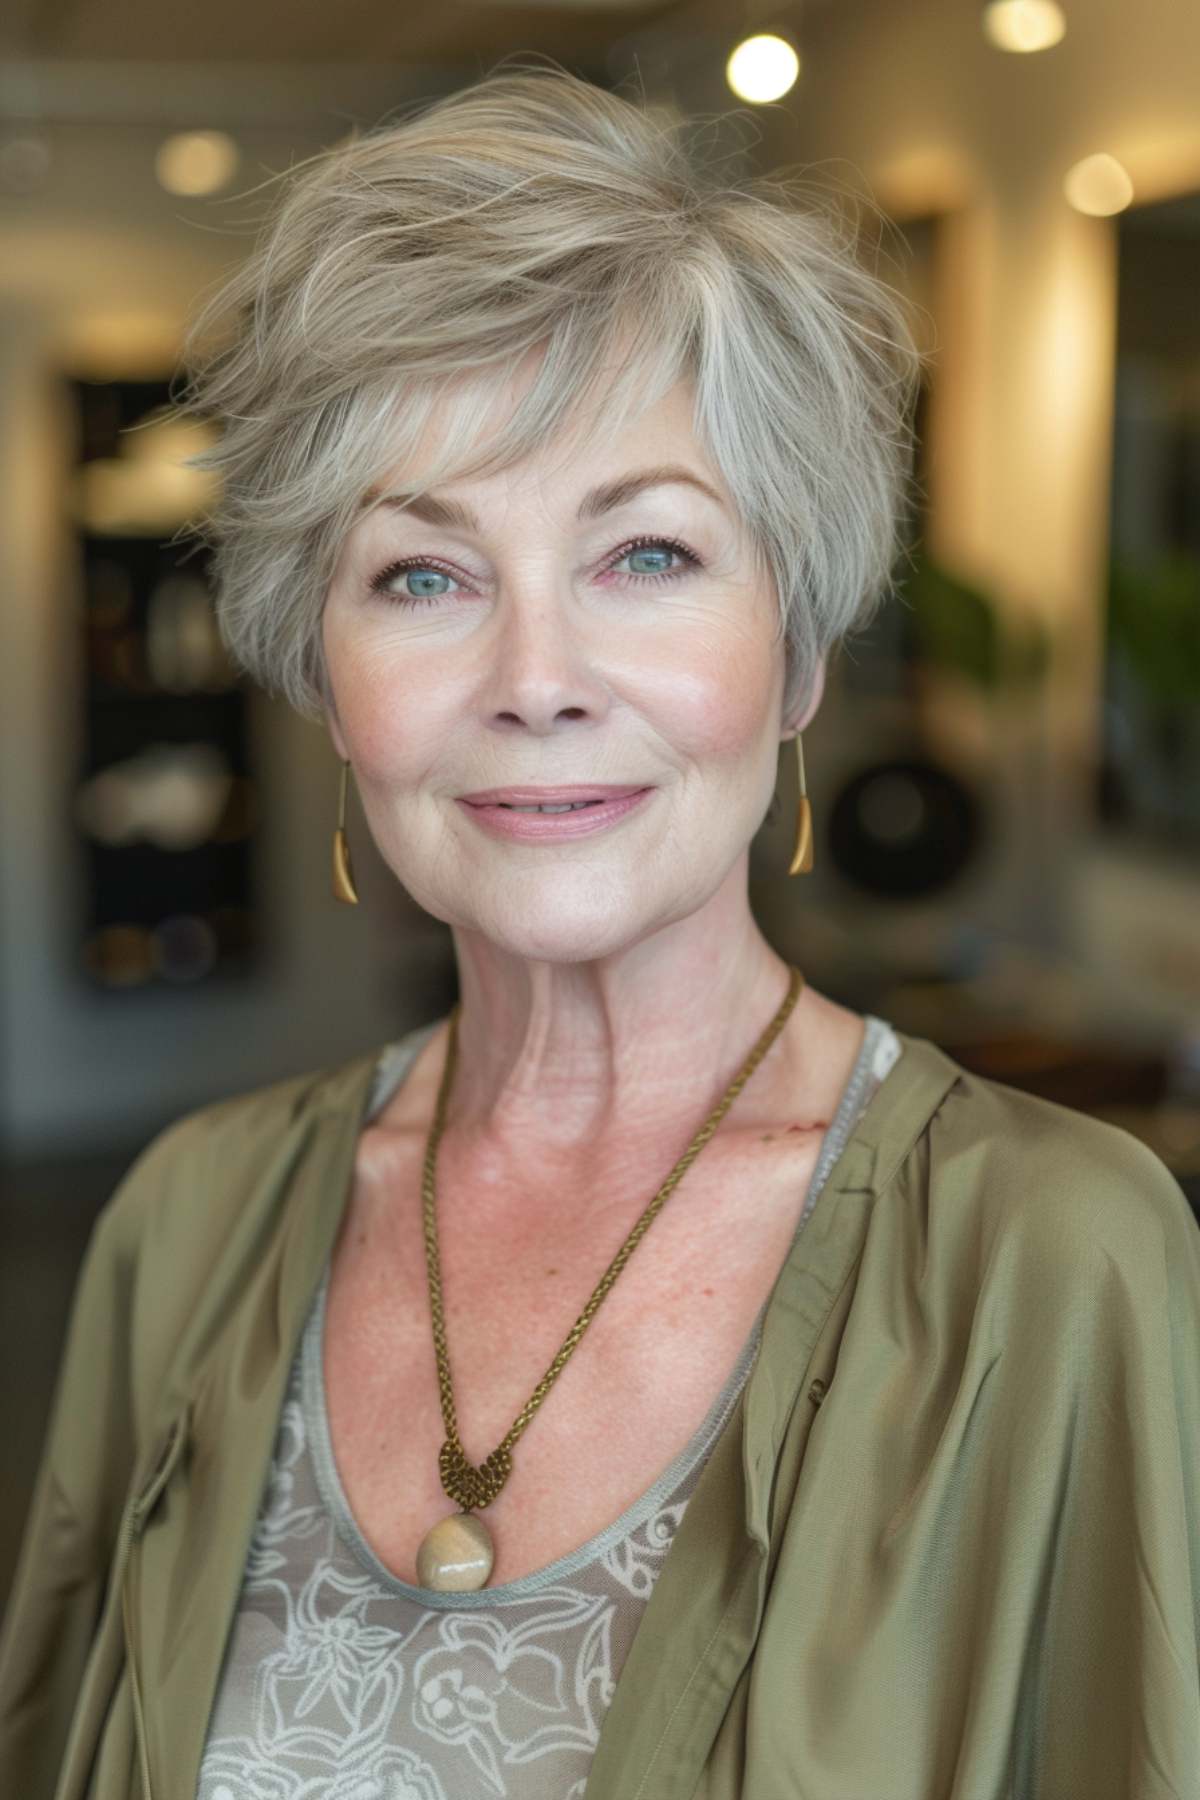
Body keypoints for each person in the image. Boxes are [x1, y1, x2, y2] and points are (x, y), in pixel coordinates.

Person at [3, 59, 1199, 1800]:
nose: (536, 682)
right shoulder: (184, 1227)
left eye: (643, 554)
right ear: (325, 680)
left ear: (792, 653)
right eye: (425, 575)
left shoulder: (1057, 1261)